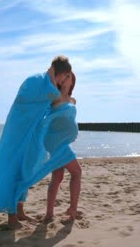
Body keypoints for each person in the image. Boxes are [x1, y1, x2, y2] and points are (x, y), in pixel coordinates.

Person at [0, 56, 73, 229]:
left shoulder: (45, 82)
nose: (64, 81)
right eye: (65, 76)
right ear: (59, 72)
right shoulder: (35, 80)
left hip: (30, 133)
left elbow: (53, 100)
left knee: (25, 170)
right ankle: (11, 217)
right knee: (13, 170)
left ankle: (19, 210)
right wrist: (52, 76)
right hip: (18, 132)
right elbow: (52, 95)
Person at [44, 72, 82, 221]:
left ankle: (49, 214)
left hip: (63, 143)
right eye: (64, 76)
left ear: (73, 80)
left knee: (57, 177)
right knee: (77, 172)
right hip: (56, 143)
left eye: (69, 76)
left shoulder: (73, 100)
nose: (66, 78)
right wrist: (55, 69)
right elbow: (50, 76)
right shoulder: (55, 97)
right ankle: (72, 209)